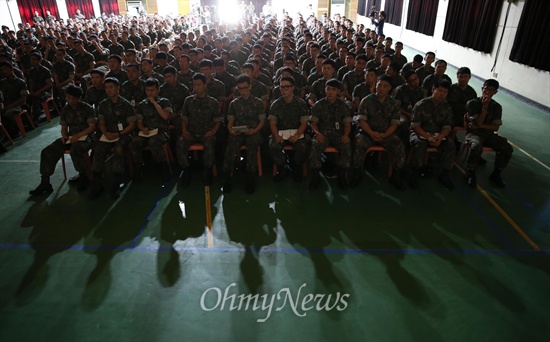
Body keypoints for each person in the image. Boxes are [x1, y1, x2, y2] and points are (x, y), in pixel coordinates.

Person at [29, 85, 96, 195]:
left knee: (76, 149)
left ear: (80, 98)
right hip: (71, 137)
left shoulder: (87, 108)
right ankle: (45, 182)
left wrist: (78, 136)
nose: (71, 100)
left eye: (74, 98)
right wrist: (64, 135)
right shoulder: (65, 109)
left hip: (87, 137)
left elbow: (92, 127)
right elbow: (64, 128)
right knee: (48, 151)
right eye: (68, 97)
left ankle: (83, 176)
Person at [350, 75, 407, 189]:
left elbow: (394, 123)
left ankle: (395, 176)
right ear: (376, 85)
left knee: (399, 145)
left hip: (386, 134)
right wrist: (371, 133)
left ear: (389, 88)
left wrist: (385, 135)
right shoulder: (367, 100)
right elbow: (361, 120)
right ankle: (357, 174)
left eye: (385, 86)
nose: (381, 88)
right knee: (358, 143)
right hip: (367, 133)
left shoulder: (394, 103)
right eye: (379, 85)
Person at [88, 78, 136, 199]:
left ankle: (116, 182)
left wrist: (119, 134)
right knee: (98, 149)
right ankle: (97, 181)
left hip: (124, 134)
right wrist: (106, 132)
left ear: (118, 88)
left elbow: (131, 125)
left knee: (119, 149)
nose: (108, 90)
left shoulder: (126, 105)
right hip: (109, 134)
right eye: (106, 87)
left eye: (111, 87)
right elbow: (102, 122)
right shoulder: (103, 105)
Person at [175, 73, 222, 186]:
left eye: (199, 85)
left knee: (210, 142)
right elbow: (184, 117)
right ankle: (186, 170)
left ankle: (207, 171)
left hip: (206, 132)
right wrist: (184, 129)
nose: (196, 87)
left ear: (205, 85)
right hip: (191, 132)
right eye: (194, 85)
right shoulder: (188, 100)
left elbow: (218, 120)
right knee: (180, 142)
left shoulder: (213, 102)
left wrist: (213, 131)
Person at [464, 79, 513, 188]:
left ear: (495, 92)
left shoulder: (497, 107)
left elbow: (495, 127)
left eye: (491, 90)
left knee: (507, 148)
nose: (487, 92)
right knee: (476, 146)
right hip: (474, 133)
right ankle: (471, 172)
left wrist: (481, 126)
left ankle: (496, 173)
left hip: (489, 134)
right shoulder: (473, 103)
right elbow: (477, 122)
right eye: (486, 89)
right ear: (482, 89)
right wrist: (484, 108)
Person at [222, 75, 265, 194]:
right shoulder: (234, 104)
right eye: (240, 89)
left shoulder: (258, 102)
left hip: (253, 131)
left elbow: (262, 121)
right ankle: (227, 178)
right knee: (230, 146)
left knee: (252, 146)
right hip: (238, 131)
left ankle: (250, 178)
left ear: (250, 87)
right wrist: (231, 130)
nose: (243, 91)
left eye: (245, 88)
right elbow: (230, 122)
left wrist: (255, 130)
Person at [409, 79, 455, 190]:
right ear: (433, 89)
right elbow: (416, 126)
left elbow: (447, 126)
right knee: (419, 144)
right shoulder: (421, 105)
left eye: (445, 92)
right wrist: (428, 136)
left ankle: (445, 174)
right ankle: (414, 173)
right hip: (419, 133)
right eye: (440, 91)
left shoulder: (446, 107)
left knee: (450, 145)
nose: (442, 94)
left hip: (437, 136)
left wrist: (440, 137)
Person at [308, 78, 352, 190]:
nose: (330, 92)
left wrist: (346, 135)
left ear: (338, 91)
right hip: (323, 134)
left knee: (346, 145)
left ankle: (342, 175)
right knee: (315, 145)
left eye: (333, 89)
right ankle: (316, 175)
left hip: (338, 134)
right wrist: (317, 133)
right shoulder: (318, 105)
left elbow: (347, 124)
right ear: (325, 90)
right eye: (328, 89)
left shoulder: (343, 106)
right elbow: (313, 123)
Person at [128, 78, 173, 182]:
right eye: (147, 90)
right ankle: (139, 167)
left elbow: (166, 117)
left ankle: (164, 168)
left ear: (158, 90)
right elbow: (139, 121)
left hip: (162, 131)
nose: (149, 92)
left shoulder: (164, 102)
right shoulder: (142, 104)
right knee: (134, 143)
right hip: (147, 131)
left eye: (152, 90)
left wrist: (154, 103)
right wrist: (142, 128)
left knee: (154, 142)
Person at [269, 76, 310, 182]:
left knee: (303, 146)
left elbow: (304, 123)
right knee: (273, 146)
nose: (283, 90)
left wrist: (296, 136)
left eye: (286, 87)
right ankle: (283, 168)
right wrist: (276, 136)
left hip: (297, 132)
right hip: (281, 133)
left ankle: (296, 168)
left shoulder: (300, 103)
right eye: (281, 87)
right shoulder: (276, 104)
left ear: (293, 88)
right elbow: (272, 123)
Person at [0, 61, 29, 138]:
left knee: (9, 113)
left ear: (11, 69)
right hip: (7, 105)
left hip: (19, 105)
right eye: (2, 70)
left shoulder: (20, 82)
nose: (4, 71)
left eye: (5, 69)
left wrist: (8, 107)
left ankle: (15, 131)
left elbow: (23, 99)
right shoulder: (2, 83)